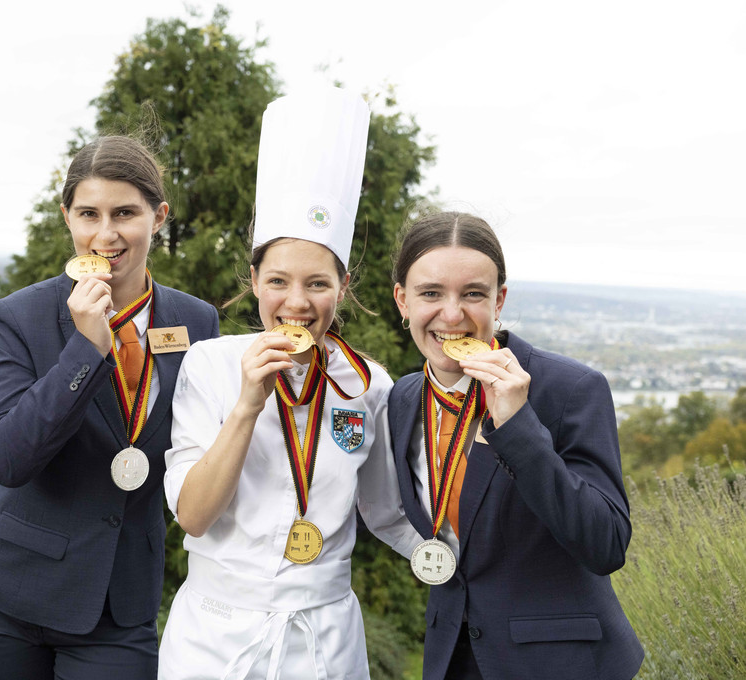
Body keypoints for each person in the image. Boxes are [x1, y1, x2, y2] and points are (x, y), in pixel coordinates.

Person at [158, 87, 421, 680]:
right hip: (214, 639)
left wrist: (457, 554)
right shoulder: (211, 366)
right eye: (278, 280)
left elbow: (386, 511)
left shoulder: (367, 386)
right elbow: (194, 516)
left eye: (318, 284)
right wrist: (248, 405)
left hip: (324, 638)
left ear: (344, 286)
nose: (296, 303)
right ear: (253, 280)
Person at [0, 135, 219, 679]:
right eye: (88, 214)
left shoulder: (198, 323)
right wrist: (86, 348)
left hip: (118, 605)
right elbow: (5, 459)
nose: (105, 233)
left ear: (158, 216)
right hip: (4, 595)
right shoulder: (22, 315)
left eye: (125, 213)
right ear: (67, 218)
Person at [388, 211, 644, 679]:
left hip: (559, 664)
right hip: (452, 658)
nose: (451, 314)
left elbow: (606, 545)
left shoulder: (570, 388)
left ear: (499, 300)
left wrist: (519, 426)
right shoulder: (403, 398)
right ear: (402, 301)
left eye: (472, 294)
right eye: (430, 293)